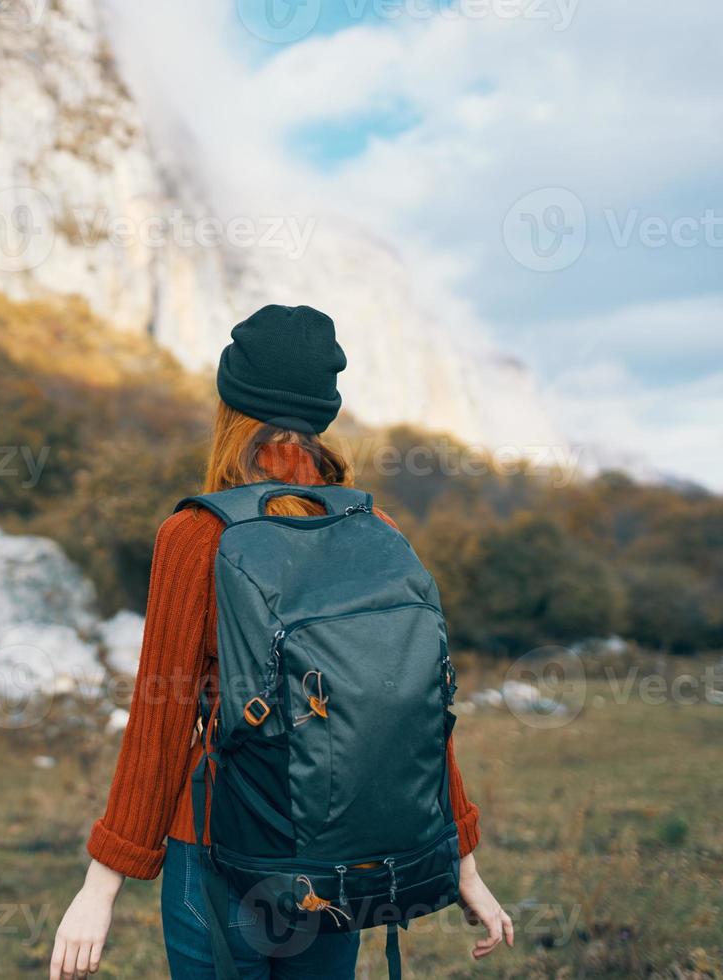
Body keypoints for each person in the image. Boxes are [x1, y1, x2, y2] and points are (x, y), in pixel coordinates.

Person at [50, 305, 513, 979]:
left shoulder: (197, 536)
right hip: (340, 861)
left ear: (230, 404)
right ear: (323, 413)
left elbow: (162, 717)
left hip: (217, 858)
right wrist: (461, 861)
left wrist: (101, 888)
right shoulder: (376, 529)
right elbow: (412, 714)